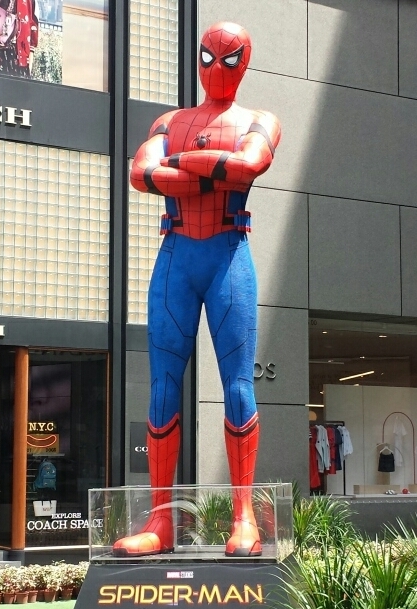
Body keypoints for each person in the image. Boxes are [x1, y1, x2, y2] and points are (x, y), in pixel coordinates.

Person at [113, 21, 281, 558]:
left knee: (238, 386)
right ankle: (161, 524)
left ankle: (243, 518)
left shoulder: (260, 119)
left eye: (229, 60)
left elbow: (252, 163)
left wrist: (179, 166)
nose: (215, 69)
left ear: (245, 62)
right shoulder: (171, 120)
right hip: (178, 260)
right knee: (162, 388)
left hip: (226, 255)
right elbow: (141, 173)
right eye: (208, 57)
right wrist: (213, 171)